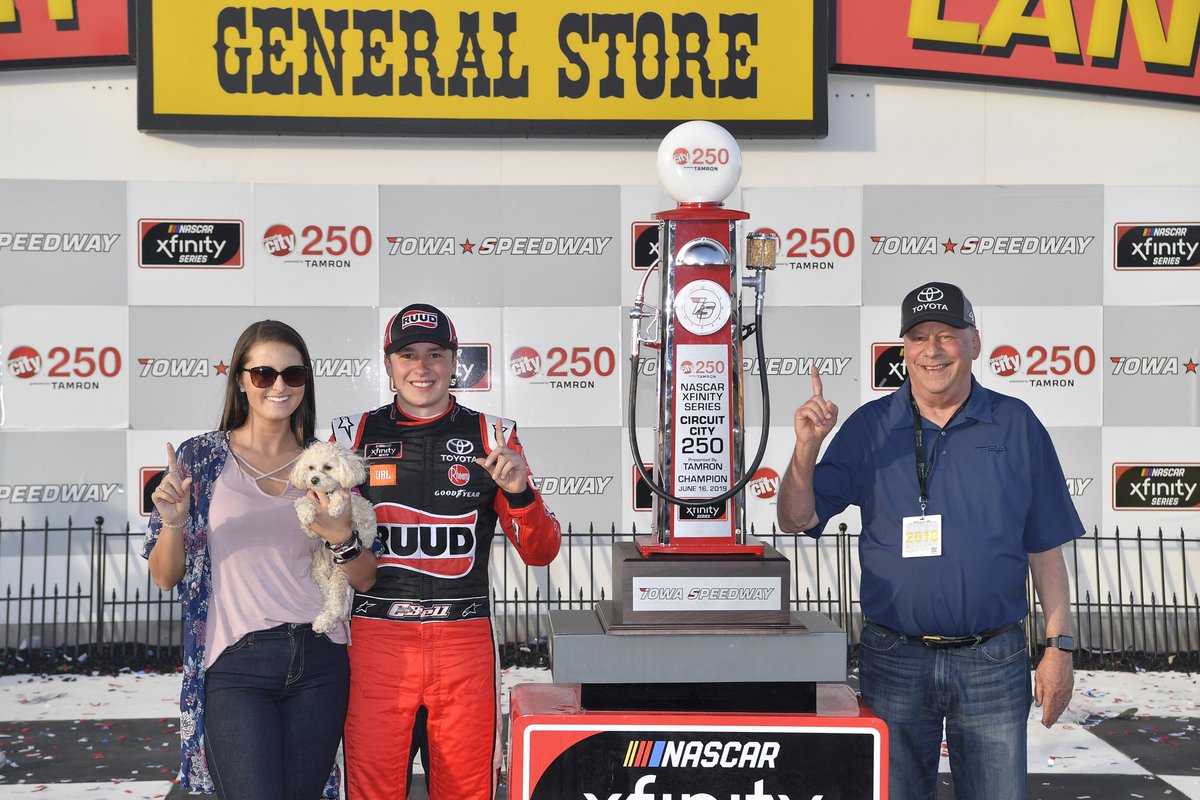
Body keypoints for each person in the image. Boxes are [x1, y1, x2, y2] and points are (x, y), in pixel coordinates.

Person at [777, 282, 1082, 800]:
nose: (932, 350)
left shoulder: (1016, 424)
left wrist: (1058, 648)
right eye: (918, 338)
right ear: (904, 351)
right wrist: (806, 448)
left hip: (993, 658)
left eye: (947, 335)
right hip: (893, 656)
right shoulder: (870, 427)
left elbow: (1044, 546)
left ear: (975, 343)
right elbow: (795, 518)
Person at [331, 303, 561, 800]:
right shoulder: (351, 435)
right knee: (371, 790)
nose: (422, 367)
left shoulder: (493, 435)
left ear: (455, 362)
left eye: (435, 354)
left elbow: (540, 552)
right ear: (388, 363)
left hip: (462, 642)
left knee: (465, 791)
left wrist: (521, 494)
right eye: (408, 354)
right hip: (376, 641)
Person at [143, 319, 377, 799]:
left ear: (306, 383)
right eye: (263, 373)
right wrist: (173, 522)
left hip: (321, 658)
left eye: (293, 375)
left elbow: (366, 577)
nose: (278, 386)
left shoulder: (327, 463)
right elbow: (165, 577)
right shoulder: (202, 458)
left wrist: (340, 537)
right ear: (240, 379)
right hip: (236, 663)